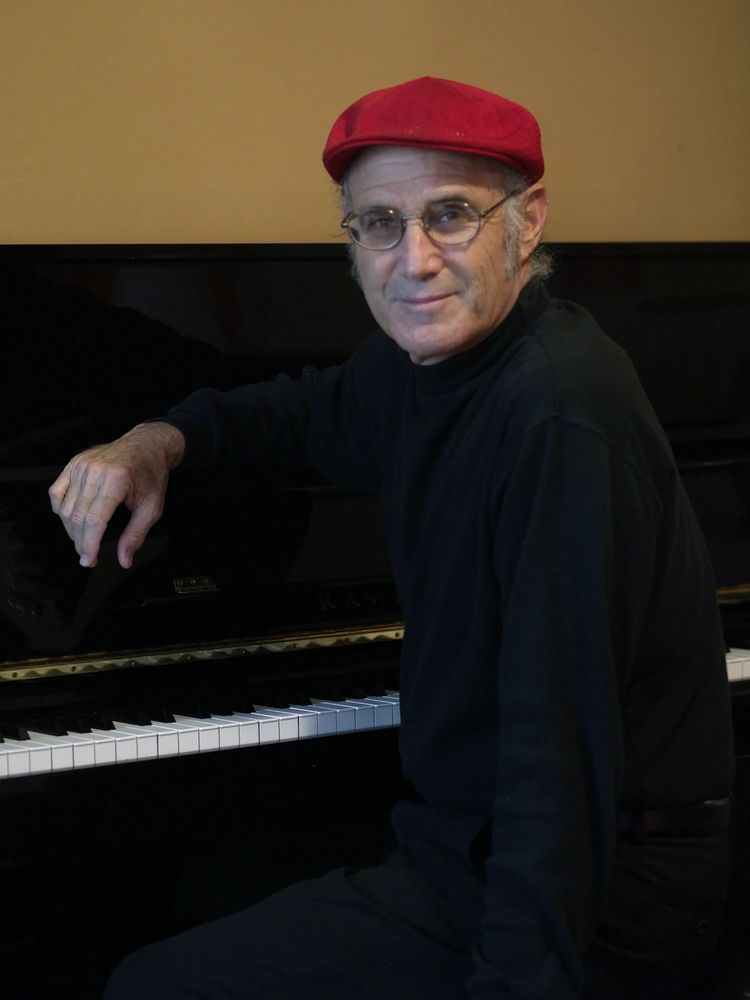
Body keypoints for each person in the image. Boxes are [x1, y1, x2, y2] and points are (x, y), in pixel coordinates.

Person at [49, 77, 734, 999]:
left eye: (450, 215)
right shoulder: (428, 365)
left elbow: (555, 761)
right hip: (463, 836)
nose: (412, 259)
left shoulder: (557, 413)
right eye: (379, 223)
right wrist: (155, 440)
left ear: (526, 223)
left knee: (151, 987)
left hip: (607, 889)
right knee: (196, 892)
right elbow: (297, 409)